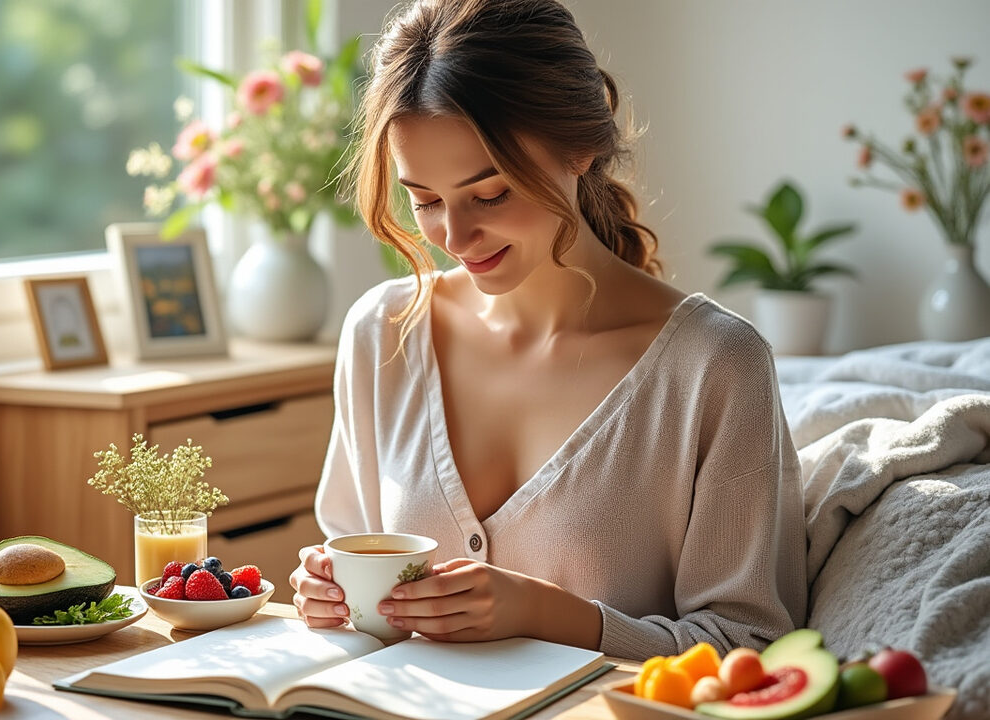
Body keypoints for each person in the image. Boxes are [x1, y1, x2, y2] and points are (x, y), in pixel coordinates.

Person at [289, 0, 806, 659]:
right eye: (424, 200)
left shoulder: (717, 365)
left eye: (490, 193)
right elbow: (355, 576)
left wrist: (548, 613)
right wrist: (328, 593)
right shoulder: (380, 335)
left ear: (580, 147)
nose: (455, 236)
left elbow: (751, 645)